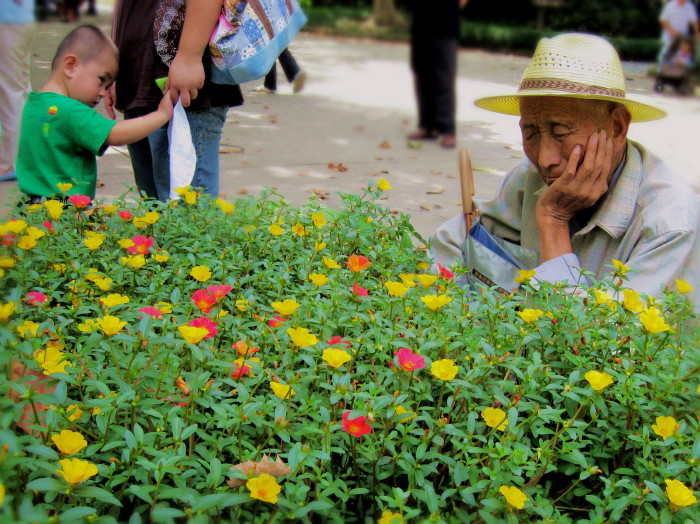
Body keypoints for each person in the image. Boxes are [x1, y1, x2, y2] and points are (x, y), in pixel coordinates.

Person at [431, 33, 700, 305]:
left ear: (617, 127)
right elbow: (457, 240)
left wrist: (554, 220)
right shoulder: (532, 176)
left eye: (559, 132)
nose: (544, 158)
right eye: (531, 132)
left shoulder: (670, 223)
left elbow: (591, 340)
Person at [15, 25, 174, 201]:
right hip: (64, 213)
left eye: (107, 86)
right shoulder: (71, 111)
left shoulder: (32, 104)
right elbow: (116, 134)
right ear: (70, 66)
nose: (101, 92)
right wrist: (161, 115)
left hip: (31, 209)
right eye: (101, 80)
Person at [109, 0, 244, 202]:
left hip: (179, 82)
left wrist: (189, 56)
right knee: (157, 214)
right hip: (142, 74)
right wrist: (115, 61)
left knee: (185, 217)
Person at [407, 0, 468, 149]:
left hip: (445, 22)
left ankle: (447, 129)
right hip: (421, 20)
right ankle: (427, 126)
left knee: (444, 78)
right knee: (422, 75)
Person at [0, 0, 35, 183]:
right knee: (20, 87)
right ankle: (25, 156)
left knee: (10, 90)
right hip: (22, 15)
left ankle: (8, 163)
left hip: (7, 17)